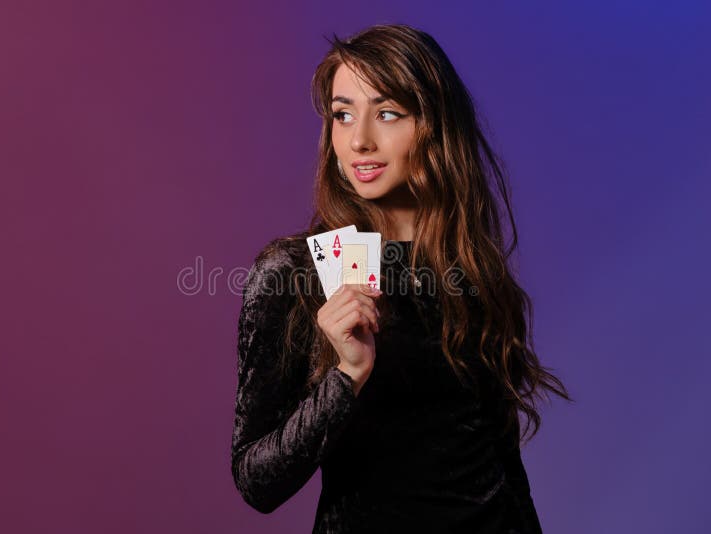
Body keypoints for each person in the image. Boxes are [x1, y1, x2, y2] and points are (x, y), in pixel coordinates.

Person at [230, 23, 571, 533]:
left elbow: (501, 471)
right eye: (343, 115)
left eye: (387, 114)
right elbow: (256, 481)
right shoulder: (300, 271)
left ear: (434, 126)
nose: (360, 140)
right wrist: (345, 378)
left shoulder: (469, 267)